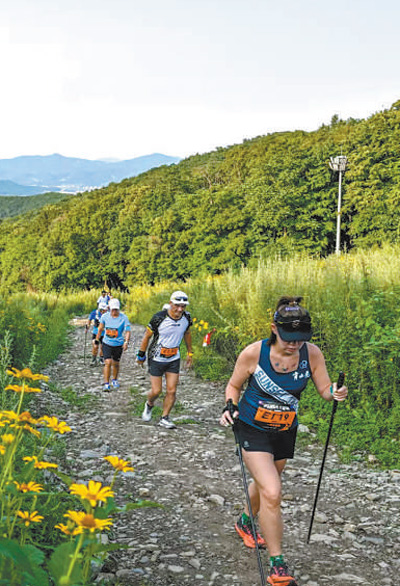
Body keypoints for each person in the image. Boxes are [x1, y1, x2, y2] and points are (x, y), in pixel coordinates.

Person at [219, 296, 348, 586]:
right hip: (252, 427)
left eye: (300, 338)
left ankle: (244, 520)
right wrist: (230, 405)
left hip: (285, 429)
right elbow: (233, 385)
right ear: (274, 328)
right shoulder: (254, 353)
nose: (294, 344)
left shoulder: (312, 354)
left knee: (267, 482)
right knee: (274, 492)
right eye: (289, 338)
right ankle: (277, 563)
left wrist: (335, 392)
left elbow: (325, 389)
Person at [137, 290, 193, 429]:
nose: (180, 309)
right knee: (156, 391)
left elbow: (187, 333)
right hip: (156, 358)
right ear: (170, 303)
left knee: (172, 390)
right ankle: (149, 404)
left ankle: (165, 417)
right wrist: (141, 355)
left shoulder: (187, 317)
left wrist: (190, 353)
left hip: (173, 358)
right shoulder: (158, 318)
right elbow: (147, 337)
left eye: (183, 306)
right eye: (177, 305)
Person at [95, 298, 131, 392]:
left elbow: (127, 331)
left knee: (115, 363)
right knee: (108, 362)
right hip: (107, 343)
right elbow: (100, 328)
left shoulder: (124, 318)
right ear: (109, 308)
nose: (114, 311)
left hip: (118, 344)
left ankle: (114, 379)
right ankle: (106, 383)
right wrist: (97, 338)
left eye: (116, 309)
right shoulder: (105, 317)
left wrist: (126, 342)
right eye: (113, 309)